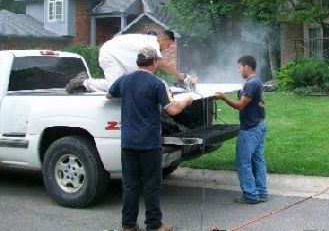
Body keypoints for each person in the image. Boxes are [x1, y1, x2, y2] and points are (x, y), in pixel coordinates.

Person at [106, 46, 194, 231]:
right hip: (149, 144)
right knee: (151, 185)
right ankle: (154, 225)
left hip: (128, 142)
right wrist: (186, 100)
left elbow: (109, 94)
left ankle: (128, 225)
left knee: (130, 185)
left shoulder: (124, 80)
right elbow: (171, 109)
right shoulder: (157, 83)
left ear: (138, 62)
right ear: (154, 63)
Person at [66, 30, 194, 93]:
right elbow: (160, 63)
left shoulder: (149, 42)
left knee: (128, 84)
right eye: (169, 45)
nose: (168, 48)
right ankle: (84, 82)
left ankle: (86, 83)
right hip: (110, 54)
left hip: (120, 58)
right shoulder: (153, 43)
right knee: (113, 87)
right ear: (164, 40)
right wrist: (181, 76)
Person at [214, 55, 268, 204]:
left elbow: (240, 105)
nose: (239, 71)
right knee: (258, 160)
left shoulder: (251, 83)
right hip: (259, 125)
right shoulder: (256, 81)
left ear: (246, 67)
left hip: (250, 128)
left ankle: (250, 195)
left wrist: (223, 98)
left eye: (239, 67)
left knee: (243, 162)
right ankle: (262, 192)